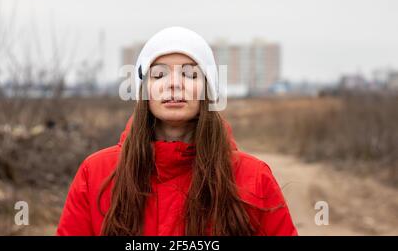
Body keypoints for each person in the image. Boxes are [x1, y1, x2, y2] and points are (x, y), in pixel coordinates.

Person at [57, 26, 298, 236]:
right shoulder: (96, 173)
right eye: (159, 74)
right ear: (144, 91)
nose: (174, 83)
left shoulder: (252, 177)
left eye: (190, 74)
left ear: (208, 90)